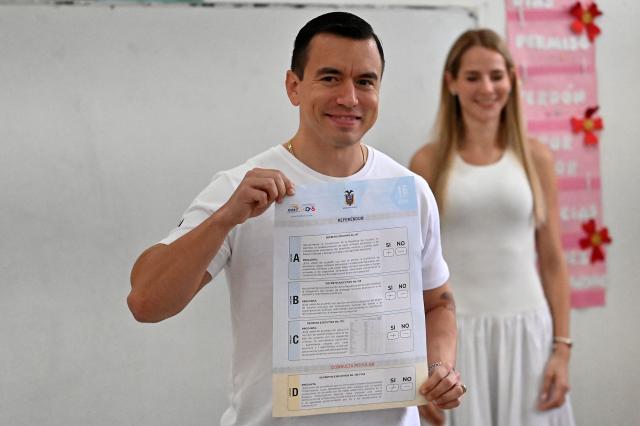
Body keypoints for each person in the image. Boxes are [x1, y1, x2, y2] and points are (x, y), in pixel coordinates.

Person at [128, 12, 464, 426]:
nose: (350, 98)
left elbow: (438, 303)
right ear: (293, 86)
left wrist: (441, 367)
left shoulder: (409, 190)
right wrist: (223, 220)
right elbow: (146, 302)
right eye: (329, 78)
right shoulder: (240, 189)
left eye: (365, 81)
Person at [410, 29, 575, 426]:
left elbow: (552, 259)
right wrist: (420, 361)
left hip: (529, 334)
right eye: (472, 77)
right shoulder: (427, 163)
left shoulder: (536, 158)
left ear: (512, 80)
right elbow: (411, 273)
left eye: (497, 75)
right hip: (456, 341)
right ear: (451, 82)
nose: (487, 88)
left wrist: (562, 350)